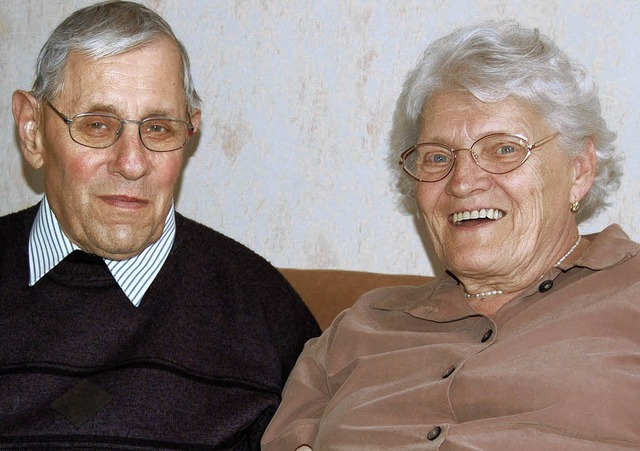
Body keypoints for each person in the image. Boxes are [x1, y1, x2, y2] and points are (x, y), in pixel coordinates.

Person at [261, 20, 640, 450]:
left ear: (579, 169)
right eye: (438, 157)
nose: (462, 182)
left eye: (504, 149)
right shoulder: (358, 329)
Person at [2, 1, 320, 448]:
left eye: (158, 128)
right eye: (97, 125)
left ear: (189, 131)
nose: (132, 163)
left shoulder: (263, 314)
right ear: (32, 130)